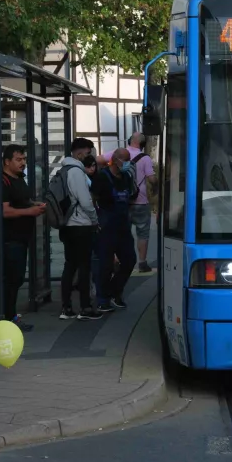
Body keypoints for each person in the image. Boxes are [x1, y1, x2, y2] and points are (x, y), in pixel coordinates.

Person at [0, 144, 45, 331]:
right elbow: (5, 211)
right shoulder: (3, 182)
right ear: (7, 161)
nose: (23, 163)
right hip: (10, 239)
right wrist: (30, 211)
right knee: (12, 280)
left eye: (24, 159)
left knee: (16, 280)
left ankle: (8, 315)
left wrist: (34, 204)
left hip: (22, 237)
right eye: (18, 159)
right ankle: (8, 318)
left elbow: (22, 201)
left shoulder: (19, 179)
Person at [58, 138, 102, 321]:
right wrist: (94, 220)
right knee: (84, 266)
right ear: (79, 152)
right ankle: (85, 307)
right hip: (81, 225)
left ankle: (66, 308)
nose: (89, 155)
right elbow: (85, 201)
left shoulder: (63, 170)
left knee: (70, 266)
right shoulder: (76, 172)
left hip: (67, 225)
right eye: (88, 152)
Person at [92, 148, 138, 311]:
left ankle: (114, 291)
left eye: (128, 160)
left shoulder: (126, 177)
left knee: (129, 260)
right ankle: (103, 299)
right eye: (124, 160)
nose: (127, 163)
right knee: (105, 264)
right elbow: (93, 199)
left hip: (123, 226)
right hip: (106, 226)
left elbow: (133, 195)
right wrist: (95, 220)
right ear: (115, 159)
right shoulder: (102, 177)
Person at [103, 132, 155, 273]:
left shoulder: (118, 153)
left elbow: (98, 159)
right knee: (142, 233)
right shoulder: (145, 158)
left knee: (120, 231)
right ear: (143, 144)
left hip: (121, 202)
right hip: (140, 201)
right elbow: (151, 179)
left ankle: (116, 259)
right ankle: (142, 263)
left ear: (130, 140)